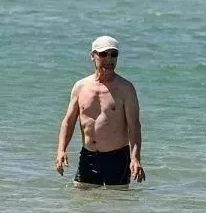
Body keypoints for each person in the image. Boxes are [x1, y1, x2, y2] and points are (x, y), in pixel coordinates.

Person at [54, 35, 145, 187]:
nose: (109, 60)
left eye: (113, 54)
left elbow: (134, 126)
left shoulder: (125, 89)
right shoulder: (80, 87)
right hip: (88, 156)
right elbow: (68, 121)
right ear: (93, 56)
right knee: (80, 204)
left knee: (116, 203)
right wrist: (61, 150)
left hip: (117, 157)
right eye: (103, 54)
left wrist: (135, 158)